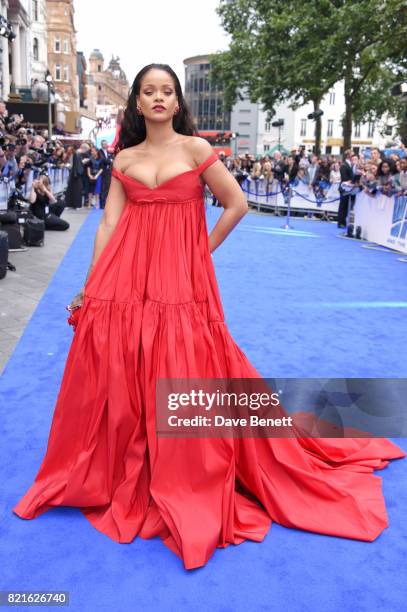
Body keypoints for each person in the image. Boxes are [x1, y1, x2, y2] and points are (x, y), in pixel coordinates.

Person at [12, 63, 405, 572]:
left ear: (177, 103)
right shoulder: (125, 158)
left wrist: (201, 249)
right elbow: (109, 221)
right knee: (124, 358)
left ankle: (184, 465)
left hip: (181, 277)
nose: (157, 98)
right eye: (148, 91)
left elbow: (235, 203)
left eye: (166, 91)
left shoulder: (197, 150)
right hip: (125, 274)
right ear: (136, 103)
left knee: (184, 359)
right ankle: (134, 456)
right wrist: (90, 283)